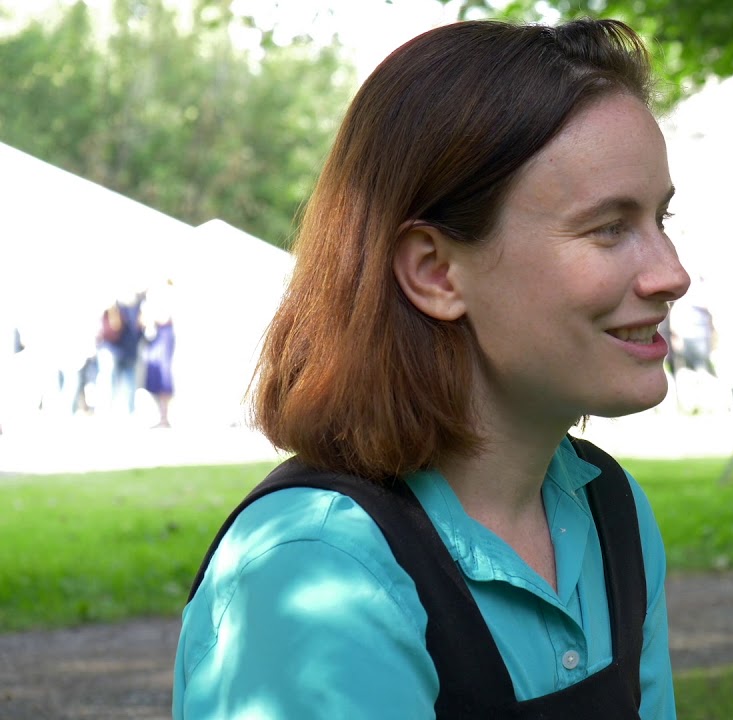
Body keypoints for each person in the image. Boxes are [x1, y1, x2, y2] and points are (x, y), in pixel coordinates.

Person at [173, 17, 688, 719]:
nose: (671, 273)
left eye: (662, 220)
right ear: (436, 271)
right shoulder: (319, 568)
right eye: (608, 228)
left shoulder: (608, 512)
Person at [142, 279, 177, 428]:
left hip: (163, 334)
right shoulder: (151, 294)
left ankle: (164, 416)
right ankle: (160, 415)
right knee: (154, 376)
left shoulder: (167, 293)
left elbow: (165, 317)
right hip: (153, 337)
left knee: (163, 374)